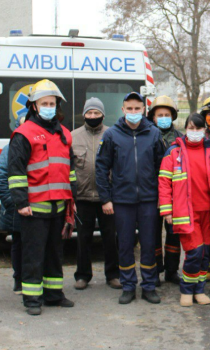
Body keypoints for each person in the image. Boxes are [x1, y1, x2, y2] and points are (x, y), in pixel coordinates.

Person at [6, 80, 77, 315]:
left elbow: (70, 169)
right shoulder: (24, 133)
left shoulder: (64, 133)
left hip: (59, 206)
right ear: (34, 106)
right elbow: (16, 171)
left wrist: (72, 199)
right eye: (44, 103)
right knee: (33, 255)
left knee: (55, 254)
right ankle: (32, 299)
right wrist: (21, 202)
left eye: (52, 103)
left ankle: (53, 295)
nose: (48, 107)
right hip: (34, 208)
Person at [95, 91, 166, 305]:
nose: (133, 112)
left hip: (149, 200)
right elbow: (101, 167)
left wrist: (162, 197)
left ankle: (149, 286)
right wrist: (106, 198)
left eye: (137, 108)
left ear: (143, 110)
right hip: (122, 200)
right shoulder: (111, 135)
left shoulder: (154, 134)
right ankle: (128, 286)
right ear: (123, 109)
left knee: (149, 244)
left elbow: (162, 168)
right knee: (125, 245)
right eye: (130, 108)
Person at [158, 114, 210, 306]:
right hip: (185, 213)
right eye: (191, 128)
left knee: (204, 254)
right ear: (185, 129)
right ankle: (186, 289)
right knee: (194, 253)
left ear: (204, 130)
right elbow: (164, 183)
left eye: (198, 128)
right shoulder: (173, 152)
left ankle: (199, 290)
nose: (194, 132)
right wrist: (167, 211)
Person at [71, 98, 120, 291]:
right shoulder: (73, 137)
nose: (93, 116)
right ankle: (82, 275)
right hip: (82, 197)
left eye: (96, 113)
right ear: (84, 115)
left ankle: (113, 275)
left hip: (107, 198)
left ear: (103, 115)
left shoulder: (112, 134)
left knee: (110, 238)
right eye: (89, 113)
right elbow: (69, 168)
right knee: (83, 239)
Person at [147, 95, 184, 284]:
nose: (163, 118)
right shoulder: (146, 135)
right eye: (159, 115)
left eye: (166, 115)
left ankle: (171, 270)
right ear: (153, 117)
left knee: (174, 233)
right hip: (151, 192)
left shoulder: (180, 138)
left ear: (173, 116)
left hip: (175, 193)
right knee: (152, 234)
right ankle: (154, 271)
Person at [0, 132, 22, 294]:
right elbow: (1, 176)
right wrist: (11, 203)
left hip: (39, 207)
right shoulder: (10, 149)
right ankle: (19, 280)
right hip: (18, 208)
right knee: (19, 243)